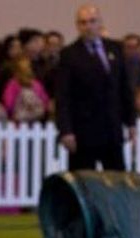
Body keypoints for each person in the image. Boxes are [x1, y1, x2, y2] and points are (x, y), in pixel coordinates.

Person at [55, 5, 134, 170]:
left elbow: (124, 87)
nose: (88, 26)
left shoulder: (115, 48)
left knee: (117, 179)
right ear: (77, 26)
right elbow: (63, 96)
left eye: (92, 21)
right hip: (82, 131)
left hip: (112, 128)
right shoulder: (69, 54)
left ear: (100, 23)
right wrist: (66, 130)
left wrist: (131, 121)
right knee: (84, 180)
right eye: (83, 23)